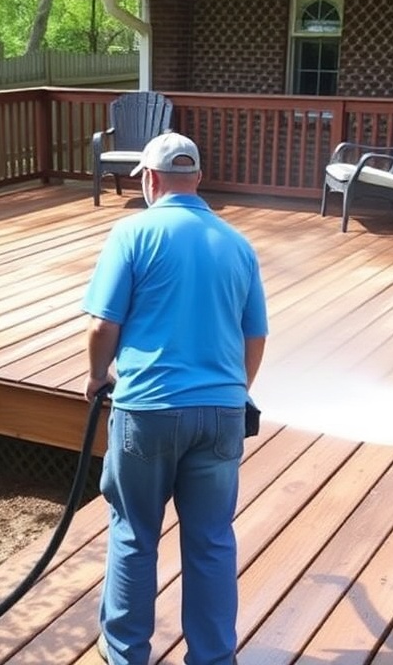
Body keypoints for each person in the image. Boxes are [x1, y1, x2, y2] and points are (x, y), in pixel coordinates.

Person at [82, 131, 268, 665]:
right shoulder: (237, 243)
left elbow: (102, 325)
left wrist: (96, 376)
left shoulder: (132, 233)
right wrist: (234, 393)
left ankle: (126, 654)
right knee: (211, 540)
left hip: (147, 412)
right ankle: (213, 657)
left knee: (135, 534)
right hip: (222, 412)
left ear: (150, 179)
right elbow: (255, 336)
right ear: (198, 178)